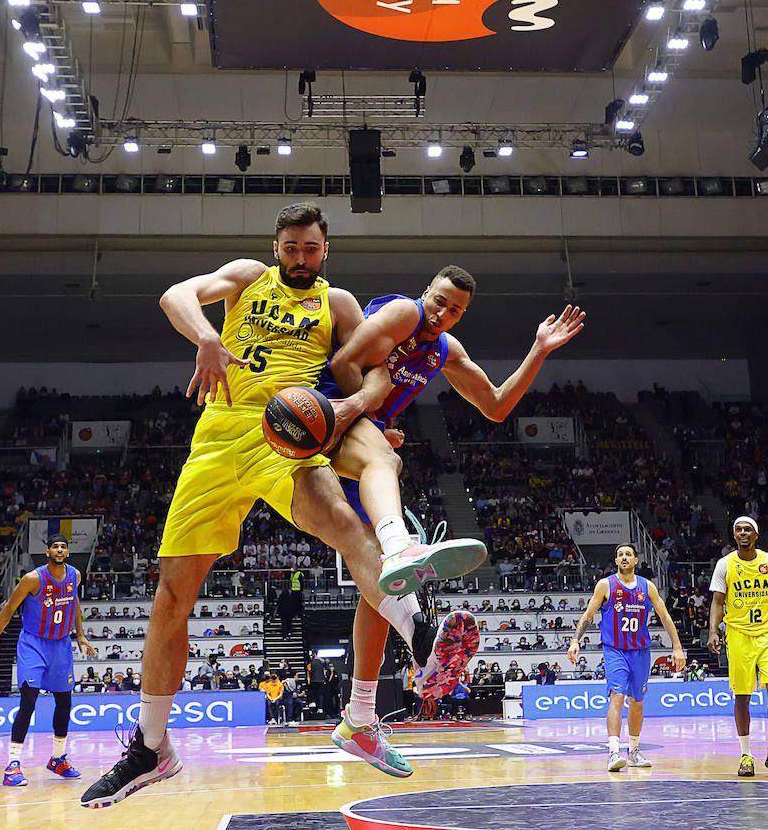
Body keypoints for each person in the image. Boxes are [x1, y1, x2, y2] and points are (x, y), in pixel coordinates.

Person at [80, 203, 484, 808]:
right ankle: (151, 748)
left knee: (344, 525)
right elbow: (175, 294)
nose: (301, 257)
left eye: (311, 249)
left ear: (327, 252)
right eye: (292, 247)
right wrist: (208, 338)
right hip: (217, 441)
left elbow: (372, 375)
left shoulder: (340, 305)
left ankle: (420, 634)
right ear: (276, 247)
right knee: (173, 595)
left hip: (292, 433)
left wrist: (356, 411)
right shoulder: (245, 278)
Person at [319, 263, 583, 774]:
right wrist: (371, 422)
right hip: (329, 418)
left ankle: (361, 715)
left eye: (456, 310)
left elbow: (498, 406)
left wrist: (539, 349)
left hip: (363, 437)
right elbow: (345, 362)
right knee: (382, 553)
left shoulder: (445, 351)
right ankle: (416, 641)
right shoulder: (402, 314)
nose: (444, 313)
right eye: (440, 301)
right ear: (427, 293)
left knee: (378, 579)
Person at [0, 535, 97, 787]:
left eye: (63, 546)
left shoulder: (75, 576)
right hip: (33, 643)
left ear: (67, 552)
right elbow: (9, 608)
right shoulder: (32, 579)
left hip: (61, 644)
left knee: (64, 702)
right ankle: (12, 765)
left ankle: (58, 759)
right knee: (28, 701)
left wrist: (80, 634)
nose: (59, 549)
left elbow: (74, 602)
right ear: (48, 552)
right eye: (55, 546)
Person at [569, 542, 684, 771]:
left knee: (637, 703)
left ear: (635, 561)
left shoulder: (647, 587)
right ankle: (613, 752)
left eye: (628, 554)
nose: (624, 557)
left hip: (640, 652)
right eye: (620, 554)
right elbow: (588, 615)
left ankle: (634, 751)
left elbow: (665, 616)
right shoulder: (605, 585)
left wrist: (677, 646)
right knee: (617, 697)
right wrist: (575, 640)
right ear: (616, 561)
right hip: (615, 650)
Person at [707, 516, 768, 778]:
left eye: (748, 530)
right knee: (742, 696)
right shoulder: (725, 565)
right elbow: (717, 601)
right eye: (738, 530)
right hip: (738, 635)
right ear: (734, 536)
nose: (743, 533)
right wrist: (714, 630)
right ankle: (746, 755)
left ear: (756, 535)